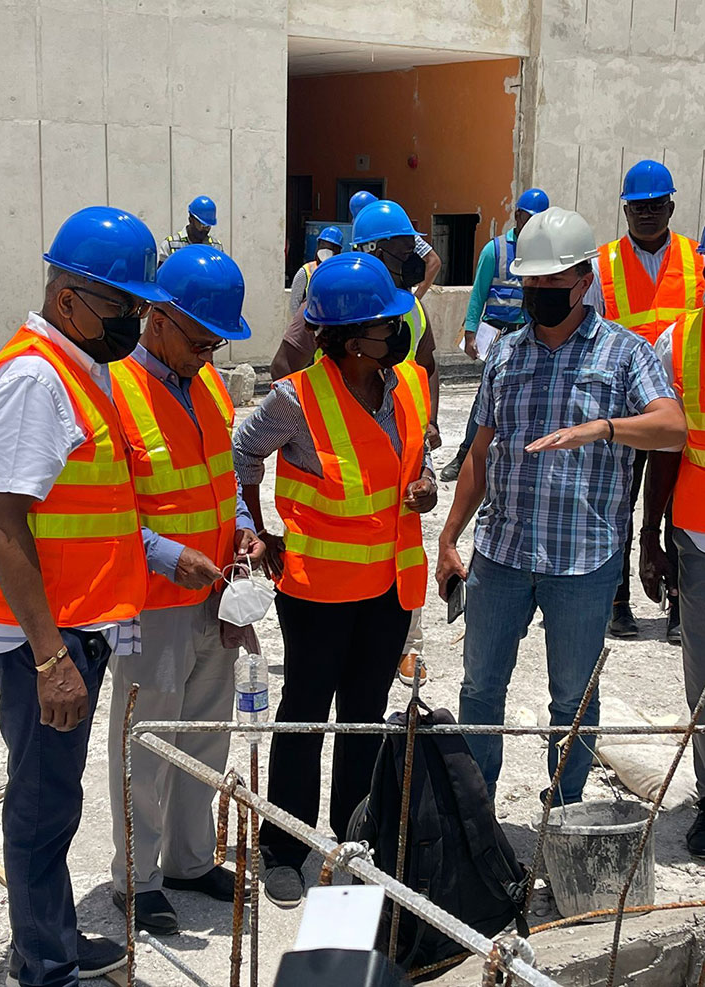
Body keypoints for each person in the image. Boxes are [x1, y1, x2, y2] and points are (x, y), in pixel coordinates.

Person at [0, 207, 172, 987]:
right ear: (70, 300)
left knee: (54, 798)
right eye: (126, 308)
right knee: (44, 804)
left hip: (66, 626)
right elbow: (4, 523)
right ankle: (45, 963)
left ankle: (48, 936)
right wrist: (52, 656)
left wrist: (160, 556)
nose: (136, 323)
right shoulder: (31, 378)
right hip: (36, 638)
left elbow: (85, 508)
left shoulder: (78, 369)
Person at [435, 206, 686, 807]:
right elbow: (479, 451)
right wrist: (448, 537)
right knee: (480, 689)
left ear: (582, 279)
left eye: (551, 282)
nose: (538, 293)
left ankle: (565, 814)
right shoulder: (506, 355)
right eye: (530, 282)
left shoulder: (625, 354)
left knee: (572, 699)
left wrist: (602, 427)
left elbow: (672, 427)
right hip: (502, 553)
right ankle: (476, 816)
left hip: (586, 558)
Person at [233, 252, 437, 906]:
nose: (400, 333)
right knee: (305, 714)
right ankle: (283, 845)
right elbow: (242, 451)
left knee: (364, 717)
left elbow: (414, 458)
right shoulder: (297, 398)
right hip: (316, 592)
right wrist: (254, 526)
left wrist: (426, 484)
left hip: (385, 588)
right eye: (386, 325)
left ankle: (356, 840)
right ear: (351, 342)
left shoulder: (405, 384)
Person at [107, 246, 265, 934]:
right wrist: (172, 557)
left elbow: (222, 483)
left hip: (213, 596)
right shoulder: (116, 390)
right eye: (201, 338)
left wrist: (243, 530)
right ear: (160, 319)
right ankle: (136, 879)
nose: (209, 352)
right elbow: (104, 513)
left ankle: (190, 858)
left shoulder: (204, 387)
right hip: (151, 605)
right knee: (146, 741)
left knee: (205, 733)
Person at [586, 160, 705, 640]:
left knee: (676, 508)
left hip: (681, 412)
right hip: (622, 412)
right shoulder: (602, 265)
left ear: (672, 206)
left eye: (656, 206)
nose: (648, 215)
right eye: (638, 208)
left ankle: (678, 600)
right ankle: (618, 600)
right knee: (617, 505)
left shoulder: (696, 259)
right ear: (626, 210)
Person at [351, 198, 442, 687]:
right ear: (368, 251)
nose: (411, 259)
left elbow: (426, 365)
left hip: (403, 446)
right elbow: (288, 369)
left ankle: (409, 647)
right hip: (351, 456)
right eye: (399, 249)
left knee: (406, 550)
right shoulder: (338, 298)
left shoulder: (412, 306)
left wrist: (426, 419)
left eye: (413, 247)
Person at [639, 229, 705, 856]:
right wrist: (651, 535)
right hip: (697, 534)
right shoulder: (679, 342)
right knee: (703, 680)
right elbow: (666, 450)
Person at [440, 188, 550, 482]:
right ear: (518, 216)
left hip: (530, 335)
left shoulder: (546, 251)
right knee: (485, 399)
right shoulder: (496, 250)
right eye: (530, 219)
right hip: (497, 335)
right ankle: (465, 455)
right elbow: (478, 294)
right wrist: (471, 333)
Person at [350, 190, 442, 299]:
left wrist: (416, 297)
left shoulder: (402, 233)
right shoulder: (360, 238)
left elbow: (434, 261)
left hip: (399, 297)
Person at [289, 226, 344, 314]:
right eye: (323, 245)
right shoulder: (305, 272)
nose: (325, 250)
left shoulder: (340, 274)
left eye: (331, 248)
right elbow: (294, 304)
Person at [158, 194, 224, 264]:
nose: (206, 229)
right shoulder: (170, 245)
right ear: (191, 220)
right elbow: (162, 273)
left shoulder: (216, 247)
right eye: (203, 225)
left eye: (208, 226)